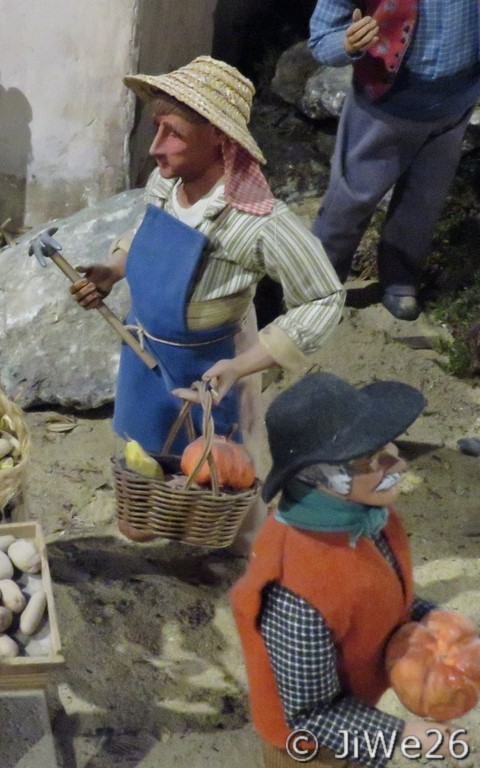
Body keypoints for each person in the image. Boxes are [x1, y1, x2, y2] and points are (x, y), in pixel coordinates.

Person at [69, 56, 344, 552]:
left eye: (172, 132)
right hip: (146, 348)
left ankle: (225, 538)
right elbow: (144, 234)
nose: (155, 148)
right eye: (156, 128)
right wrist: (112, 271)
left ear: (218, 136)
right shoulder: (165, 183)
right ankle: (152, 510)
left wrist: (242, 365)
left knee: (218, 472)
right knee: (146, 451)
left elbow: (324, 298)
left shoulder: (255, 222)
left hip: (209, 362)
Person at [230, 372, 459, 767]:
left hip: (354, 710)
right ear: (321, 476)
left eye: (388, 446)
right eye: (369, 459)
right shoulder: (294, 588)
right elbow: (311, 713)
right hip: (310, 749)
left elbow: (376, 595)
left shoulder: (369, 519)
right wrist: (403, 735)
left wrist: (436, 619)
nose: (397, 463)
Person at [308, 1, 480, 321]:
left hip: (455, 102)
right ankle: (317, 284)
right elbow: (321, 37)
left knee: (424, 199)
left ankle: (401, 277)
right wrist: (346, 43)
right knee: (352, 198)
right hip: (386, 105)